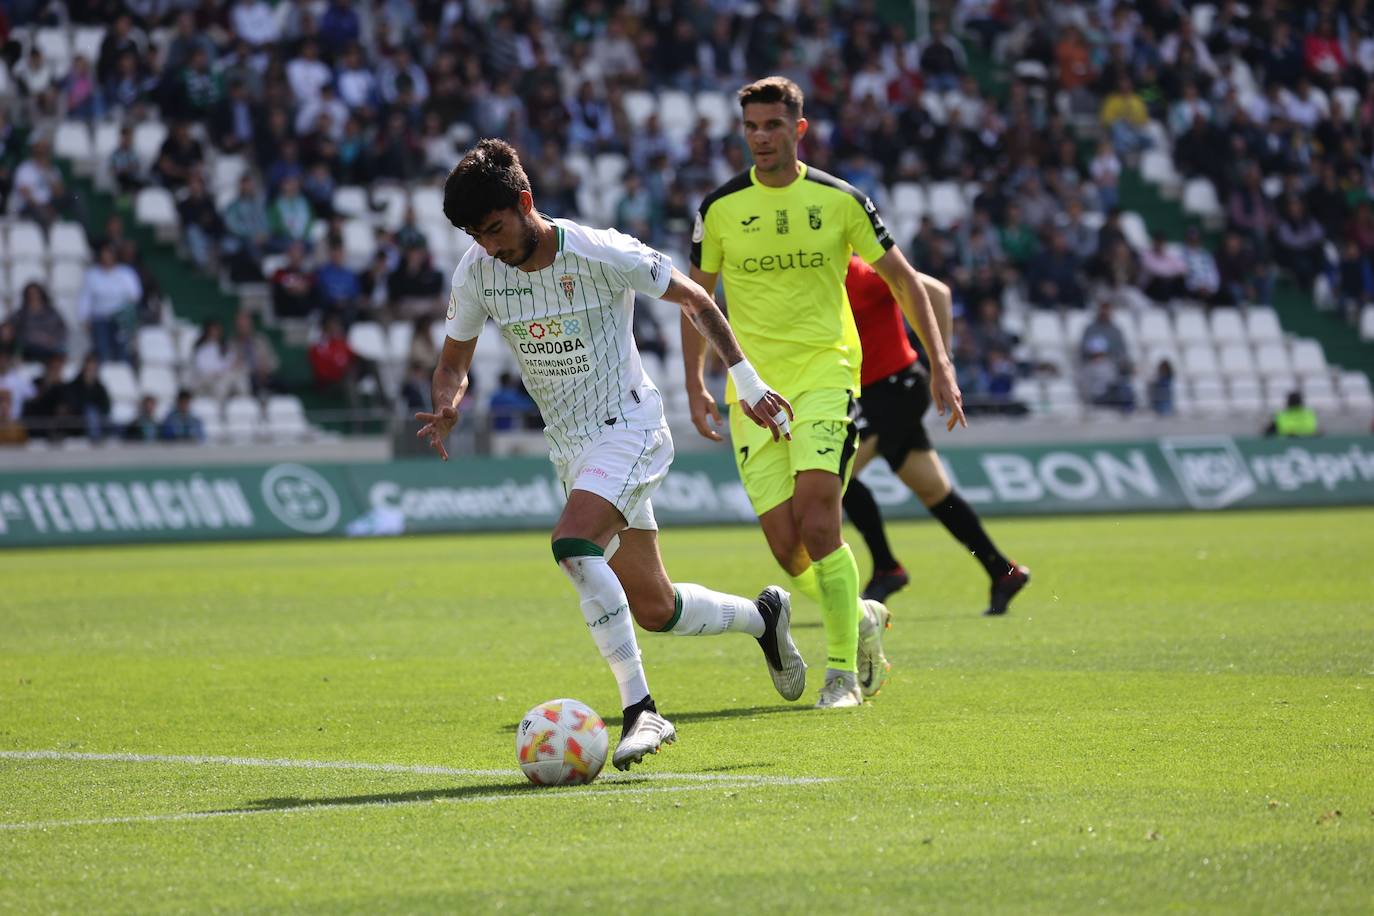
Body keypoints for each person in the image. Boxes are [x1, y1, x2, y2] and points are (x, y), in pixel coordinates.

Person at [417, 139, 804, 769]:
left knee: (573, 546)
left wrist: (748, 382)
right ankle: (763, 617)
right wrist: (449, 401)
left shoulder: (601, 249)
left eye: (493, 228)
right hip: (571, 449)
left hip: (630, 425)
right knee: (656, 608)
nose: (489, 246)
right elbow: (452, 360)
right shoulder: (477, 272)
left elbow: (697, 300)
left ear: (525, 202)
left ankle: (641, 710)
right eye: (475, 235)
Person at [683, 77, 965, 708]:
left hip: (826, 375)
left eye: (773, 126)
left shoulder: (840, 200)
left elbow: (905, 280)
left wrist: (941, 363)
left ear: (798, 129)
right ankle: (857, 614)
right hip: (753, 390)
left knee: (819, 519)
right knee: (788, 551)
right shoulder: (720, 207)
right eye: (751, 127)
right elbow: (697, 302)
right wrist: (696, 381)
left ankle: (842, 674)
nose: (761, 137)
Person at [839, 256, 1030, 613]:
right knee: (934, 491)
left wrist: (941, 361)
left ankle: (886, 567)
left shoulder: (862, 273)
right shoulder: (820, 276)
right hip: (875, 395)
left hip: (896, 390)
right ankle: (1003, 571)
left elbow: (938, 293)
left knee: (838, 475)